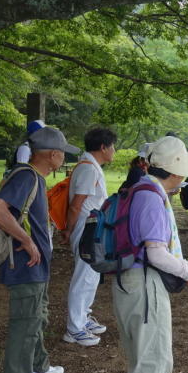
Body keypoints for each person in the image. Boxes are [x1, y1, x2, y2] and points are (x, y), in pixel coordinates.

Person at [114, 135, 188, 373]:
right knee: (154, 359)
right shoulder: (152, 197)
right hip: (145, 283)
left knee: (141, 355)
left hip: (127, 281)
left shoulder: (138, 188)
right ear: (175, 170)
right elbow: (156, 253)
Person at [0, 126, 79, 373]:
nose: (64, 158)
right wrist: (27, 241)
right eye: (63, 153)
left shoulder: (35, 178)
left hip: (36, 266)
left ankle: (38, 366)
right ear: (52, 155)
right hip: (25, 265)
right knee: (25, 323)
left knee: (37, 316)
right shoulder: (26, 176)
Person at [62, 128, 117, 347]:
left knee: (91, 275)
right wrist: (69, 230)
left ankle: (83, 318)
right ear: (103, 147)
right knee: (84, 277)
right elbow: (76, 205)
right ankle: (74, 328)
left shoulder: (91, 167)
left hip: (92, 228)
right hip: (86, 229)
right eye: (112, 146)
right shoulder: (88, 169)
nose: (114, 151)